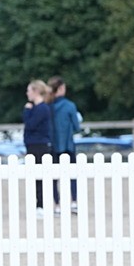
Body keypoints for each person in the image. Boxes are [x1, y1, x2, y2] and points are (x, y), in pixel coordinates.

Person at [48, 76, 81, 213]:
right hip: (67, 145)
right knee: (72, 175)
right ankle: (74, 201)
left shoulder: (48, 105)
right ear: (61, 88)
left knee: (54, 177)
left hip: (53, 145)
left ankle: (56, 204)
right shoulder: (69, 106)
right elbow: (77, 126)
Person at [23, 80, 53, 218]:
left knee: (41, 176)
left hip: (39, 145)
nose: (27, 93)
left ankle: (42, 205)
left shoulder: (41, 108)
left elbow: (30, 124)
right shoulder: (37, 107)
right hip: (33, 144)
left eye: (29, 90)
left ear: (35, 91)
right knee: (35, 177)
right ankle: (37, 204)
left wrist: (27, 110)